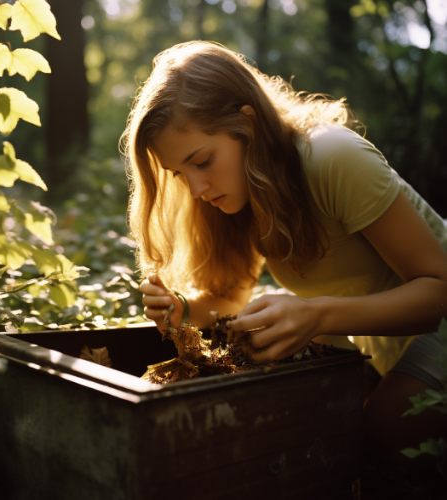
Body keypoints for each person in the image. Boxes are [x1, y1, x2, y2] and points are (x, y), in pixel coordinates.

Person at [120, 41, 447, 475]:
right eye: (181, 174)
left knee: (374, 439)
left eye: (202, 160)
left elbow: (439, 293)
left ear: (247, 123)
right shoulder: (235, 194)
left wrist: (315, 315)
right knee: (307, 429)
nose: (196, 188)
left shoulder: (333, 157)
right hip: (383, 349)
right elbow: (231, 298)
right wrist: (182, 309)